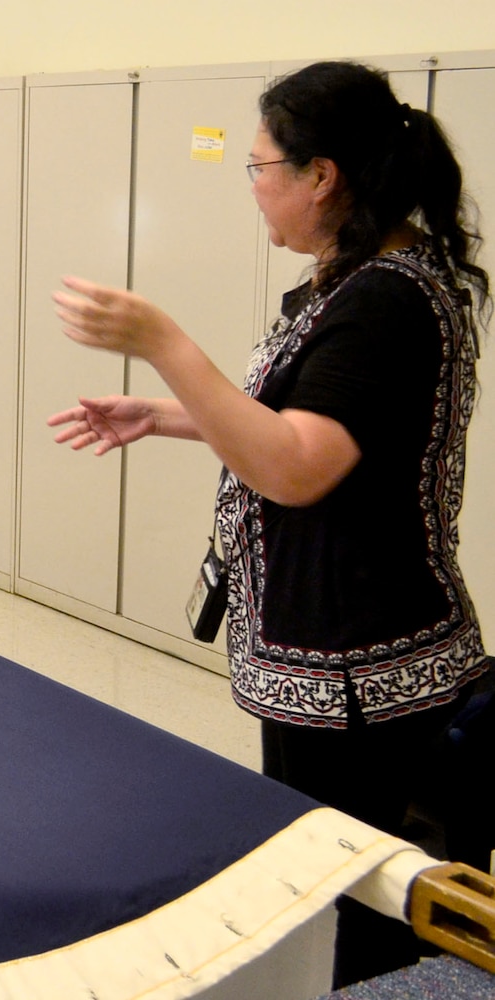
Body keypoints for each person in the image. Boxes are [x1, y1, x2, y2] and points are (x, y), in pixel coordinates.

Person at [46, 60, 491, 988]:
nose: (252, 190)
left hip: (363, 674)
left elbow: (294, 467)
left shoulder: (384, 299)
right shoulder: (364, 277)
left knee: (369, 909)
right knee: (332, 880)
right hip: (331, 657)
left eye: (258, 168)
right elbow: (307, 425)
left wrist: (163, 343)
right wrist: (168, 413)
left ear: (319, 175)